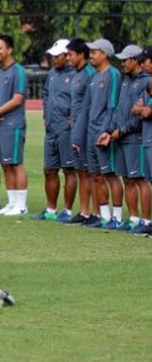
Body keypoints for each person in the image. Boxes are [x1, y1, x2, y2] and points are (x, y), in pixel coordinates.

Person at [32, 39, 77, 222]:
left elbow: (81, 98)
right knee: (49, 170)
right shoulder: (51, 74)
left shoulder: (76, 74)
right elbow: (46, 95)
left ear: (67, 56)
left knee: (68, 169)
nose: (54, 59)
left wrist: (73, 117)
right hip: (51, 129)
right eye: (52, 56)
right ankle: (51, 209)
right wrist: (45, 115)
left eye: (57, 56)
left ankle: (67, 211)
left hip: (67, 130)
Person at [81, 39, 124, 229]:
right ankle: (104, 217)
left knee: (111, 175)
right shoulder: (94, 77)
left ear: (105, 54)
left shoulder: (113, 75)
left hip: (103, 133)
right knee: (96, 176)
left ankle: (117, 217)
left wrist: (106, 130)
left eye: (95, 52)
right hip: (91, 134)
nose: (91, 55)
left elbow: (113, 106)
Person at [0, 34, 29, 216]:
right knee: (5, 164)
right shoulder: (1, 72)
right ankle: (12, 203)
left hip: (13, 125)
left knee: (16, 164)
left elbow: (17, 99)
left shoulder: (17, 71)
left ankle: (21, 205)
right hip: (1, 126)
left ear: (9, 50)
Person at [113, 45, 149, 232]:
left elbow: (140, 114)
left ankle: (146, 220)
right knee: (127, 178)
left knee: (140, 179)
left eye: (125, 60)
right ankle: (134, 218)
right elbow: (121, 108)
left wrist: (124, 129)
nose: (123, 64)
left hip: (135, 137)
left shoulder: (145, 81)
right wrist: (115, 129)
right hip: (121, 137)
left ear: (135, 60)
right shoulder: (125, 80)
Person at [67, 38, 98, 225]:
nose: (68, 57)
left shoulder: (89, 74)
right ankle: (85, 212)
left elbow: (89, 106)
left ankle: (96, 211)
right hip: (75, 129)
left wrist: (81, 125)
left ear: (81, 55)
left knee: (91, 172)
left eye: (71, 54)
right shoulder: (76, 74)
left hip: (86, 131)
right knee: (81, 172)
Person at [133, 46, 152, 235]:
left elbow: (145, 111)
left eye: (144, 60)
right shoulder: (148, 83)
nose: (141, 64)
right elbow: (136, 109)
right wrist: (142, 110)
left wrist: (143, 110)